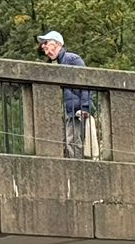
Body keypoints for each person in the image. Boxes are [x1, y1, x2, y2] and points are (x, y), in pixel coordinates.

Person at [38, 30, 95, 158]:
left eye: (46, 44)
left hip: (77, 111)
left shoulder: (72, 59)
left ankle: (78, 170)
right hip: (68, 111)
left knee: (73, 142)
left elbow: (85, 82)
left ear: (57, 43)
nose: (45, 49)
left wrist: (85, 108)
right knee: (68, 143)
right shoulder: (54, 63)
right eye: (44, 47)